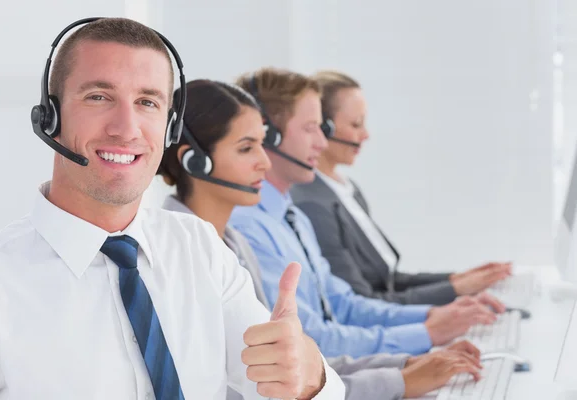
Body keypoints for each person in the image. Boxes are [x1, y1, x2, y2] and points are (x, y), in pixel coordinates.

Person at [0, 18, 344, 399]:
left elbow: (277, 385)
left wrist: (310, 373)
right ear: (49, 117)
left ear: (169, 128)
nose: (126, 127)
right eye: (99, 97)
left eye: (147, 102)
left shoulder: (199, 247)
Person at [158, 78, 484, 400]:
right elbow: (266, 378)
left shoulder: (231, 241)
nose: (265, 161)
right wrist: (397, 379)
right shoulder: (183, 256)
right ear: (195, 162)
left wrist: (401, 365)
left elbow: (301, 358)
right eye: (246, 148)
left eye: (261, 143)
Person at [229, 67, 498, 359]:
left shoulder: (293, 217)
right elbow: (311, 339)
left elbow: (343, 305)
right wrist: (425, 334)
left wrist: (432, 315)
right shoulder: (250, 228)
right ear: (268, 137)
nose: (321, 142)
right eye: (310, 129)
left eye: (323, 129)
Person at [290, 70, 512, 306]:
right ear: (323, 129)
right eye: (356, 124)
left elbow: (387, 280)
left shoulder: (347, 189)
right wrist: (455, 290)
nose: (365, 135)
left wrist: (458, 280)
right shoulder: (312, 205)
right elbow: (363, 301)